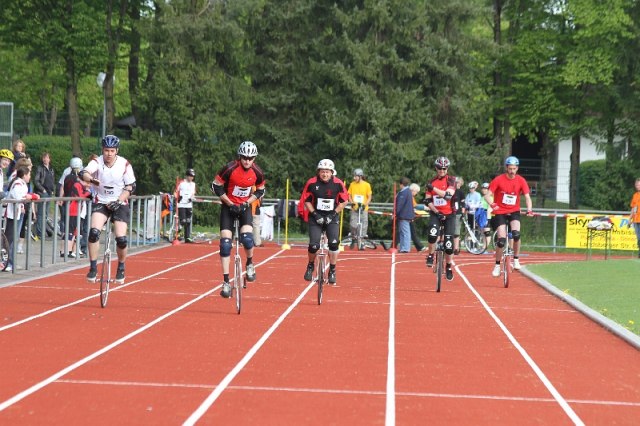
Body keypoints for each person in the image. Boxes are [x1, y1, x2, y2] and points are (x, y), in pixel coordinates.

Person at [211, 141, 266, 298]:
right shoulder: (229, 168)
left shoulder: (257, 172)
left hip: (244, 207)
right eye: (244, 157)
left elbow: (261, 190)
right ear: (240, 157)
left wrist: (246, 203)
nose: (247, 161)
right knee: (225, 245)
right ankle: (226, 282)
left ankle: (250, 263)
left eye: (250, 158)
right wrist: (229, 203)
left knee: (247, 239)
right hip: (228, 207)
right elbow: (215, 186)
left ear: (254, 158)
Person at [79, 135, 137, 284]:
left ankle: (121, 267)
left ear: (116, 151)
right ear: (102, 150)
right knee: (93, 233)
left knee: (121, 239)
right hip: (101, 201)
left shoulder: (124, 164)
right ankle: (93, 267)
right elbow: (83, 173)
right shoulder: (97, 162)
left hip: (119, 202)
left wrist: (119, 201)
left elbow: (131, 186)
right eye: (106, 150)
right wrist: (91, 179)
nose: (109, 154)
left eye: (112, 151)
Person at [484, 156, 534, 277]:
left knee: (516, 234)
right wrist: (492, 204)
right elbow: (487, 195)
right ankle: (497, 265)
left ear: (517, 168)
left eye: (514, 169)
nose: (512, 171)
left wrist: (529, 210)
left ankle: (516, 259)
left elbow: (527, 197)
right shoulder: (498, 179)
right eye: (510, 168)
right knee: (501, 241)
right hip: (500, 211)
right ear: (506, 168)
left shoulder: (521, 180)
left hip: (514, 211)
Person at [302, 159, 349, 283]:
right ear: (318, 172)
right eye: (322, 171)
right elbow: (306, 200)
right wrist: (315, 214)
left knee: (333, 243)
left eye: (327, 172)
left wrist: (333, 214)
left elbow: (344, 201)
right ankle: (310, 265)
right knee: (314, 245)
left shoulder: (338, 183)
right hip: (315, 216)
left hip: (332, 217)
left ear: (332, 172)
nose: (325, 174)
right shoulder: (311, 183)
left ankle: (332, 270)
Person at [424, 157, 457, 281]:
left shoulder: (451, 180)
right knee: (432, 234)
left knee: (449, 244)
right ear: (436, 168)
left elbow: (447, 196)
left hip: (449, 214)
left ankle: (448, 266)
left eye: (444, 168)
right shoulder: (431, 181)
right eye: (439, 168)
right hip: (436, 213)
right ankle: (430, 255)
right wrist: (436, 212)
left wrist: (433, 189)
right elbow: (427, 201)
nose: (442, 170)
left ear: (447, 168)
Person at [3, 166, 39, 272]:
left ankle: (10, 262)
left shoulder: (22, 183)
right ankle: (7, 262)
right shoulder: (18, 183)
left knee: (13, 238)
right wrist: (30, 197)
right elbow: (18, 197)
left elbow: (22, 197)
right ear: (24, 175)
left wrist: (29, 197)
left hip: (17, 212)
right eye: (29, 175)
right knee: (10, 239)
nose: (30, 177)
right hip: (12, 214)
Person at [60, 157, 91, 257]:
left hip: (68, 204)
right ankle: (69, 250)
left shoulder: (67, 177)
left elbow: (63, 188)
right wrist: (87, 193)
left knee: (69, 229)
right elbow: (79, 195)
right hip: (74, 207)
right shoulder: (77, 182)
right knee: (72, 230)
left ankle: (65, 250)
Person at [347, 168, 372, 248]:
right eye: (354, 176)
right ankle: (353, 237)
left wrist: (365, 204)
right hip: (355, 208)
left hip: (363, 208)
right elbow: (349, 195)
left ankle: (362, 241)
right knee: (353, 224)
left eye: (356, 176)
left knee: (364, 225)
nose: (354, 178)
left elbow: (369, 197)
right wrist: (352, 202)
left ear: (360, 176)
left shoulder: (367, 185)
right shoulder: (352, 184)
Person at [33, 152, 56, 239]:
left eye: (47, 157)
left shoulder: (51, 169)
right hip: (42, 193)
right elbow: (36, 181)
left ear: (49, 159)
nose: (45, 159)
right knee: (41, 213)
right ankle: (39, 233)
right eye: (44, 158)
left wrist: (52, 190)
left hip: (49, 193)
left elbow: (52, 180)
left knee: (45, 214)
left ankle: (43, 231)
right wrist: (43, 190)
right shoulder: (40, 168)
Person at [175, 168, 197, 243]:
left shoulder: (193, 184)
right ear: (187, 176)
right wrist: (177, 196)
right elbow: (175, 191)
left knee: (188, 221)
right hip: (181, 204)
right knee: (183, 221)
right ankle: (177, 231)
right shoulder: (181, 183)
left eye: (192, 176)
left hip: (189, 205)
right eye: (190, 176)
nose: (191, 178)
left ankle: (187, 237)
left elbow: (193, 193)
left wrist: (192, 197)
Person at [395, 177, 414, 253]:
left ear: (401, 184)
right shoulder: (408, 191)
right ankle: (403, 247)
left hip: (404, 215)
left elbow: (400, 204)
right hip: (405, 215)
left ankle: (405, 248)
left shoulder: (404, 192)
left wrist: (395, 213)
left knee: (405, 232)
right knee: (403, 232)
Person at [409, 183, 426, 252]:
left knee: (411, 232)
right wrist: (425, 207)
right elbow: (415, 206)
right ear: (413, 190)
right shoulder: (410, 196)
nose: (416, 193)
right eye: (416, 192)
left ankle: (420, 247)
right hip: (408, 217)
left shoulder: (411, 196)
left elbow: (414, 206)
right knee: (412, 232)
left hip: (408, 216)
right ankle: (420, 247)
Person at [452, 176, 465, 256]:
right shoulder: (451, 190)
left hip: (458, 213)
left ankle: (456, 248)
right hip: (450, 212)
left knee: (456, 231)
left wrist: (463, 213)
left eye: (458, 183)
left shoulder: (461, 192)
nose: (457, 184)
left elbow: (463, 203)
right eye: (456, 182)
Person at [629, 177, 640, 258]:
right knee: (638, 237)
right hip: (636, 220)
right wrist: (630, 219)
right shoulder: (635, 195)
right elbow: (633, 208)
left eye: (639, 185)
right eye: (637, 185)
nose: (638, 186)